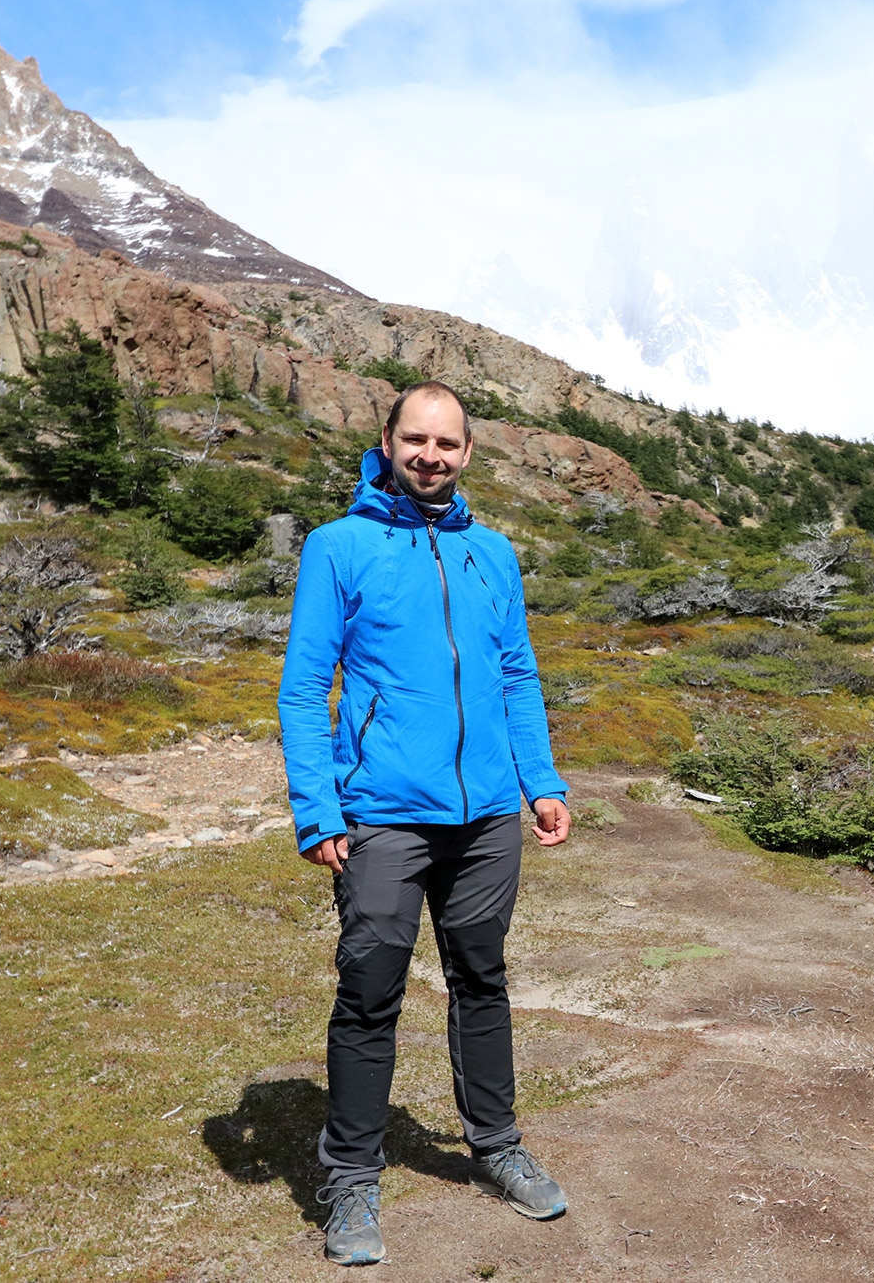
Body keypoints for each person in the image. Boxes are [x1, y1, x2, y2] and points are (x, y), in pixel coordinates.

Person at [277, 380, 573, 1266]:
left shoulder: (494, 553)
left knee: (481, 978)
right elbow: (303, 687)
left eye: (447, 443)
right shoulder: (339, 547)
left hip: (486, 817)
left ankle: (497, 1147)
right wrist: (317, 808)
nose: (430, 456)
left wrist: (540, 780)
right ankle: (351, 1180)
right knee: (371, 992)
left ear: (469, 452)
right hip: (382, 818)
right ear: (388, 441)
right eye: (416, 440)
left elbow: (517, 676)